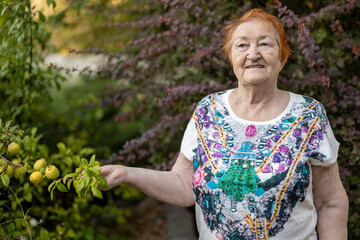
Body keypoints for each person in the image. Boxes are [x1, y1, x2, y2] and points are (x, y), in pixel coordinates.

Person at [100, 8, 349, 240]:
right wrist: (127, 174)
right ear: (231, 57)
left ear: (282, 57)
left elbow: (330, 203)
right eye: (242, 45)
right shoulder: (208, 111)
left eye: (264, 44)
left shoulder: (309, 115)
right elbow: (184, 184)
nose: (253, 54)